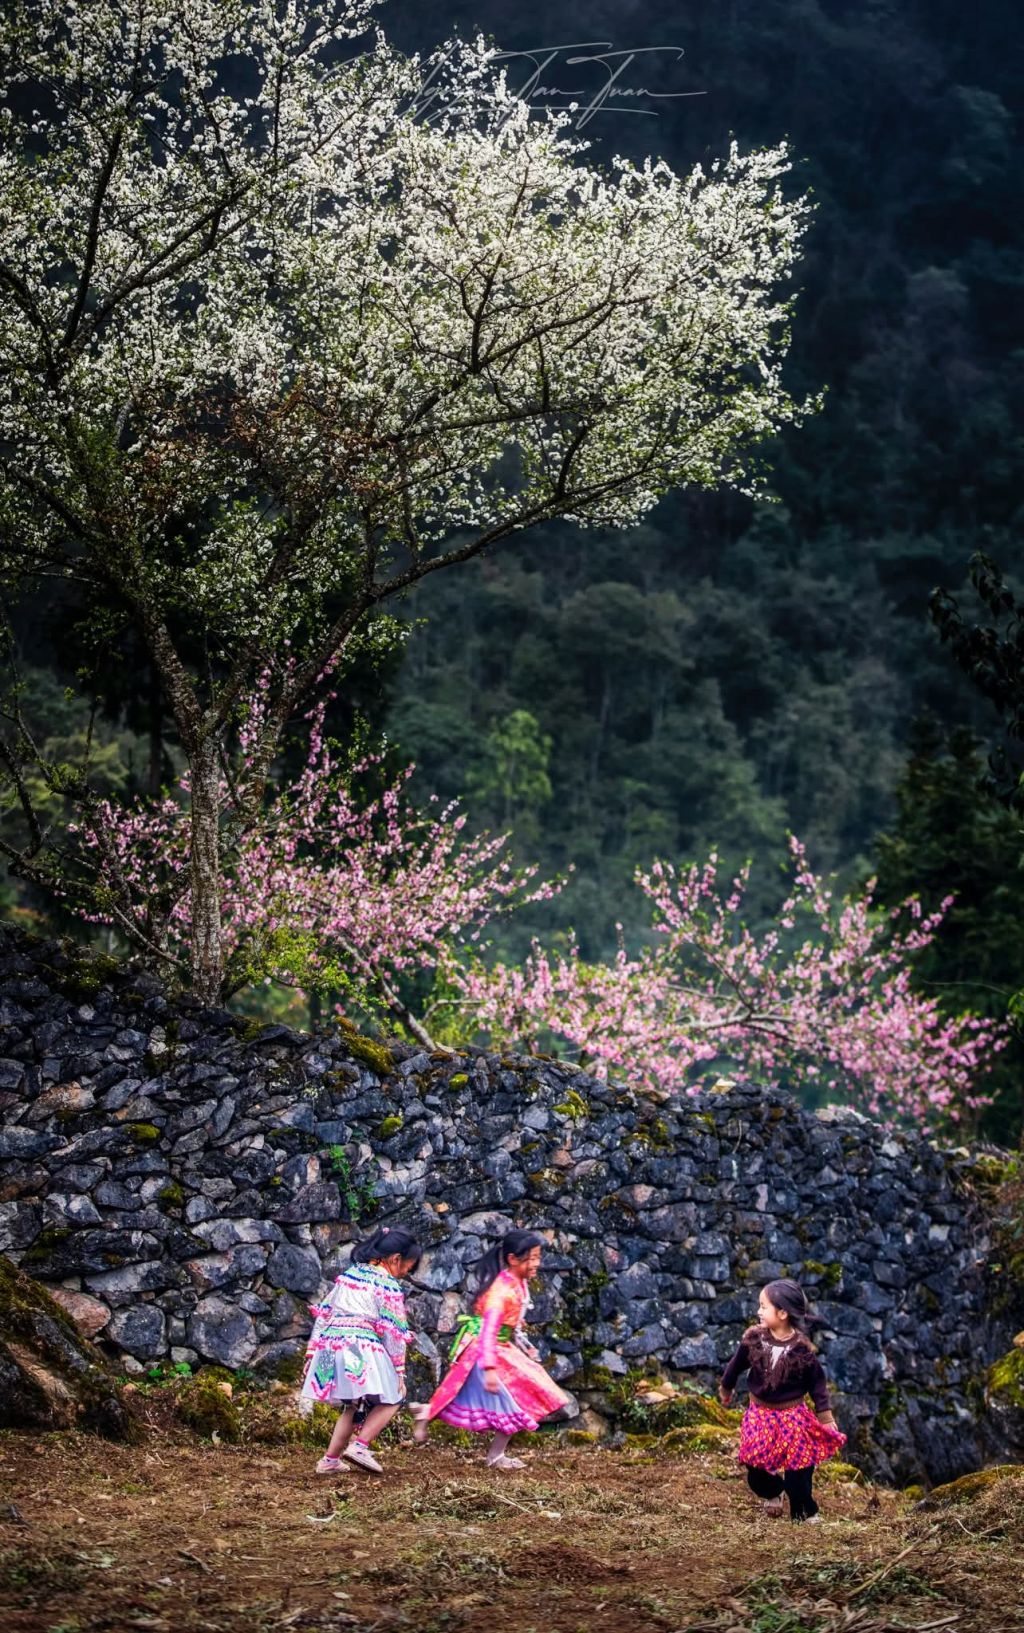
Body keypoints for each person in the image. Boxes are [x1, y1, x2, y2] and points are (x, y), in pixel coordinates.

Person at [410, 1229, 572, 1470]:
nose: (536, 1263)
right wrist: (489, 1369)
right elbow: (488, 1331)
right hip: (489, 1351)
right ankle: (494, 1455)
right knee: (516, 1400)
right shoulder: (501, 1291)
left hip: (501, 1347)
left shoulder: (517, 1283)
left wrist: (523, 1343)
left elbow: (510, 1322)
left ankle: (427, 1412)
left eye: (538, 1257)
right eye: (532, 1258)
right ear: (513, 1259)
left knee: (494, 1398)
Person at [719, 1277, 846, 1523]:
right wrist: (726, 1387)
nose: (758, 1311)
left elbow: (817, 1384)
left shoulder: (801, 1349)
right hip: (760, 1414)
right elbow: (735, 1367)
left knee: (799, 1468)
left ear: (783, 1313)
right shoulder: (754, 1339)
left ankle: (803, 1511)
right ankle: (773, 1490)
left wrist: (825, 1416)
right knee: (755, 1467)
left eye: (764, 1306)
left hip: (793, 1416)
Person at [301, 1225, 420, 1475]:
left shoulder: (350, 1274)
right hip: (358, 1345)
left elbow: (324, 1315)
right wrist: (399, 1372)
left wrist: (312, 1352)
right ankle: (360, 1446)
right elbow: (394, 1333)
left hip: (330, 1346)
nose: (405, 1274)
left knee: (353, 1404)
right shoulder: (387, 1284)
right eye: (407, 1267)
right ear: (396, 1259)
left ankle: (330, 1460)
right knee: (393, 1398)